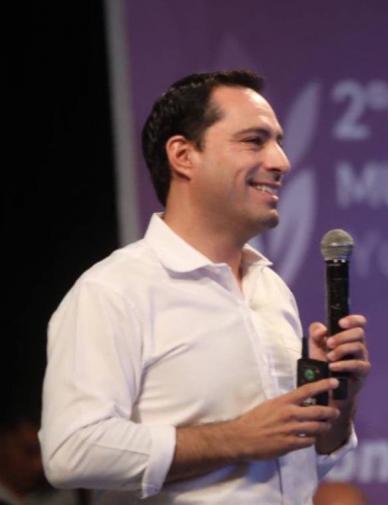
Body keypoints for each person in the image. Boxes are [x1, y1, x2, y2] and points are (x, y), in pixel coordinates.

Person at [38, 70, 370, 504]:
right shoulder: (115, 291)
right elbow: (71, 451)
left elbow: (297, 464)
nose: (282, 162)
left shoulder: (270, 290)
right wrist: (236, 438)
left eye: (279, 142)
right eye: (254, 141)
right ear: (183, 155)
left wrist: (337, 404)